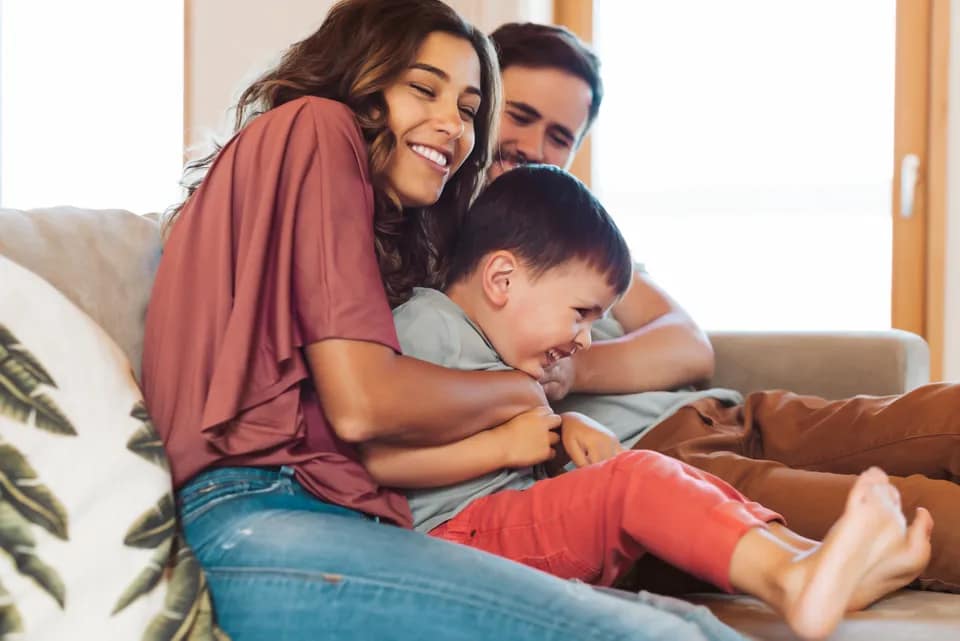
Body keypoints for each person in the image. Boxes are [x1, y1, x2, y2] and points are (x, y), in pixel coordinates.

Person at [141, 2, 756, 640]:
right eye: (423, 89)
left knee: (683, 622)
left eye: (466, 109)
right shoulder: (317, 127)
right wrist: (522, 391)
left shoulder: (367, 215)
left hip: (333, 513)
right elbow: (363, 405)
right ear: (363, 82)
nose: (453, 127)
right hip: (255, 515)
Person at [485, 21, 960, 593]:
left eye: (560, 136)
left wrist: (575, 368)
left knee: (946, 414)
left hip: (726, 416)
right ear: (480, 103)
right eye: (520, 116)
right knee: (925, 514)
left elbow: (687, 344)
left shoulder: (577, 234)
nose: (535, 148)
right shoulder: (449, 249)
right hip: (664, 468)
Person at [371, 164, 931, 641]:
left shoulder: (503, 357)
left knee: (664, 472)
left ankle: (811, 557)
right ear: (501, 278)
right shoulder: (428, 325)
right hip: (457, 537)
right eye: (581, 313)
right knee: (636, 481)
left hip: (505, 519)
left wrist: (566, 428)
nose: (587, 339)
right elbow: (375, 461)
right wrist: (499, 447)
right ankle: (791, 580)